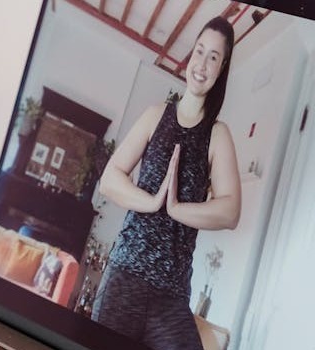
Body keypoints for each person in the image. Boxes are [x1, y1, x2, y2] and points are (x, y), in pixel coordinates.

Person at [91, 17, 242, 350]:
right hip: (124, 279)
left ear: (221, 68)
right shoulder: (155, 115)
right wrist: (152, 202)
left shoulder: (218, 135)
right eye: (199, 51)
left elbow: (230, 211)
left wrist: (176, 208)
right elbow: (110, 179)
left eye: (213, 57)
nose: (202, 64)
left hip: (171, 296)